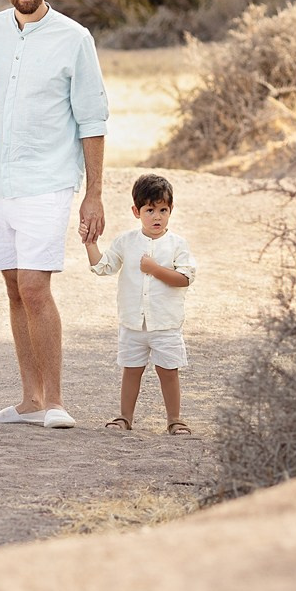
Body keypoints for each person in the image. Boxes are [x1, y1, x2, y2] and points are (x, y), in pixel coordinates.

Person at [0, 0, 107, 429]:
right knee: (13, 288)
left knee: (34, 286)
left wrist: (94, 194)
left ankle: (55, 402)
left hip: (47, 181)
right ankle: (29, 401)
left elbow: (92, 119)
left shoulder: (75, 38)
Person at [89, 173, 196, 434]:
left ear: (171, 210)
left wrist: (154, 269)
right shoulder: (126, 242)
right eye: (150, 210)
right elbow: (103, 267)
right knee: (131, 370)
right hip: (133, 324)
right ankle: (124, 418)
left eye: (163, 210)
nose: (156, 217)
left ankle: (175, 420)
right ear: (136, 211)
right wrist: (90, 243)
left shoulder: (177, 244)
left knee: (168, 371)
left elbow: (184, 278)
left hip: (165, 324)